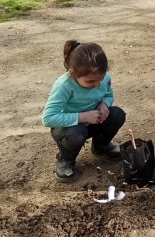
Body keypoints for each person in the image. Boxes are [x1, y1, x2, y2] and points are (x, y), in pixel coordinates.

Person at [42, 40, 126, 182]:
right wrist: (83, 117)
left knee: (117, 114)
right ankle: (66, 160)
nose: (97, 85)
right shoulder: (64, 86)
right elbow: (48, 118)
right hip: (69, 128)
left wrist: (104, 105)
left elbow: (108, 95)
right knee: (76, 133)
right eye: (91, 82)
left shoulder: (104, 79)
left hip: (93, 120)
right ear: (73, 73)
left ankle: (101, 147)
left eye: (100, 79)